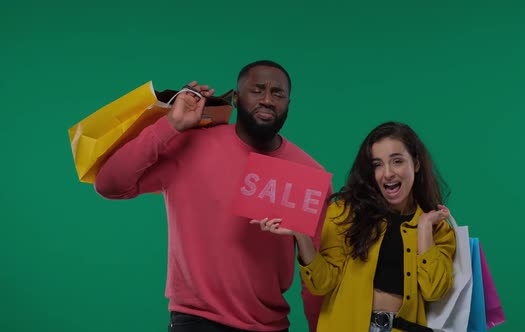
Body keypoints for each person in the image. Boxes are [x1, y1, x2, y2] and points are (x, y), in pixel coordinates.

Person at [94, 60, 329, 332]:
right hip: (196, 319)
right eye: (257, 90)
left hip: (270, 325)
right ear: (237, 98)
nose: (267, 100)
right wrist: (170, 125)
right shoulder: (190, 145)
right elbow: (109, 184)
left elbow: (315, 277)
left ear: (288, 103)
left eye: (277, 93)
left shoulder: (308, 174)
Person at [252, 121, 456, 332]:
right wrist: (301, 234)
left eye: (397, 161)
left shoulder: (437, 229)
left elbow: (434, 291)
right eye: (377, 164)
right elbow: (322, 283)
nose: (387, 173)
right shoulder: (345, 213)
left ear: (416, 163)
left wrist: (423, 229)